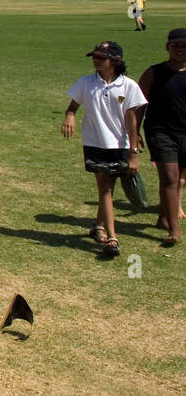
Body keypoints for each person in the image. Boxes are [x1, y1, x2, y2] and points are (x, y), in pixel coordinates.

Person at [63, 41, 145, 256]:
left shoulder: (129, 86)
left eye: (101, 57)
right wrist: (69, 117)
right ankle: (112, 238)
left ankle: (99, 226)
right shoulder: (85, 83)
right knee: (105, 188)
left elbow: (131, 122)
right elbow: (72, 107)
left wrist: (133, 153)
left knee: (109, 188)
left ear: (116, 60)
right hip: (94, 143)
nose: (95, 60)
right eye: (94, 56)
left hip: (119, 146)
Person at [135, 28, 186, 246]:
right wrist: (134, 132)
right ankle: (174, 230)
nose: (180, 50)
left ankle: (163, 217)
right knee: (170, 176)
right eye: (175, 46)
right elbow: (138, 104)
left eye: (184, 46)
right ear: (168, 47)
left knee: (179, 177)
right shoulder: (153, 72)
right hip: (160, 131)